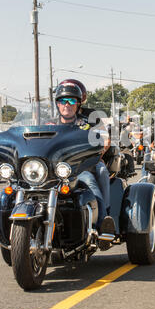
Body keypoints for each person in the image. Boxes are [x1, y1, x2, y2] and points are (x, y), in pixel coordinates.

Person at [55, 81, 114, 250]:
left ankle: (103, 220)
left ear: (80, 100)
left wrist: (96, 155)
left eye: (72, 101)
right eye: (63, 101)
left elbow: (105, 139)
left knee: (96, 173)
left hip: (82, 165)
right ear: (57, 102)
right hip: (56, 168)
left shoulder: (90, 117)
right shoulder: (51, 122)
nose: (67, 104)